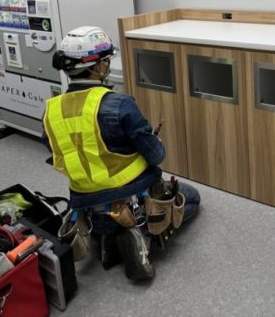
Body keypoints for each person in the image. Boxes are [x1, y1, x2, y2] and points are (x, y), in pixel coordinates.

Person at [42, 25, 200, 281]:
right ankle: (141, 234)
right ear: (98, 66)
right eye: (106, 61)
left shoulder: (52, 111)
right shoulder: (119, 104)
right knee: (191, 198)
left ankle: (108, 237)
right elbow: (156, 155)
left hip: (87, 205)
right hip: (132, 196)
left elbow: (53, 147)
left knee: (105, 219)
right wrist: (153, 140)